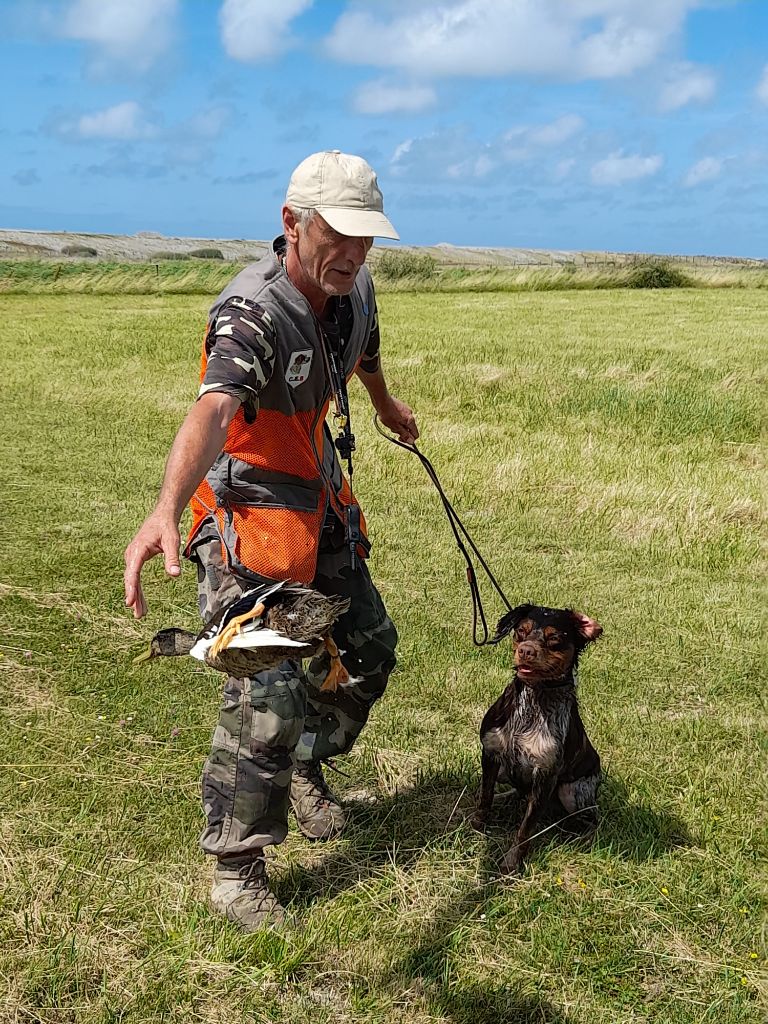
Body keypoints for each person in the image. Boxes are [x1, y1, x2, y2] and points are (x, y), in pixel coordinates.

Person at [123, 150, 418, 931]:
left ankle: (303, 767)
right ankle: (237, 870)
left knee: (368, 647)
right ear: (292, 223)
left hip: (318, 494)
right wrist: (165, 507)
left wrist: (385, 406)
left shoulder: (353, 290)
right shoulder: (250, 311)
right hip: (248, 513)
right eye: (339, 233)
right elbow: (217, 407)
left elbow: (367, 350)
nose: (355, 252)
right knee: (270, 684)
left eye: (367, 238)